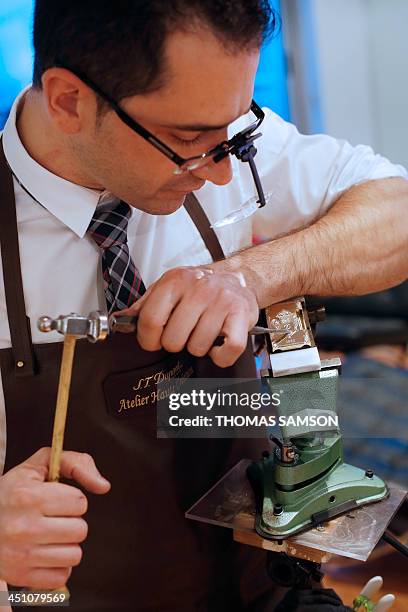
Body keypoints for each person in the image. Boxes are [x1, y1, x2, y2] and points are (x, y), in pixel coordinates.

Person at [0, 1, 407, 610]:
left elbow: (398, 213)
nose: (222, 175)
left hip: (258, 593)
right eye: (187, 139)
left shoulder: (227, 141)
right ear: (67, 101)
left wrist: (250, 275)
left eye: (234, 133)